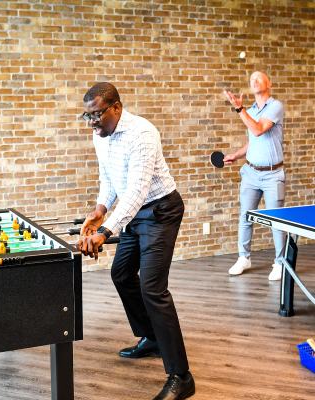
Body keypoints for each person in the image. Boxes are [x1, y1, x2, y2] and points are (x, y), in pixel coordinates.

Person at [77, 82, 194, 400]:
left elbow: (137, 189)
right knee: (122, 274)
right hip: (131, 214)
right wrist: (100, 210)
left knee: (153, 288)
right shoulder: (99, 133)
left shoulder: (143, 132)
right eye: (87, 117)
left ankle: (181, 377)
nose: (92, 123)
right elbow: (109, 178)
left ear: (116, 107)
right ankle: (152, 338)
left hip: (160, 210)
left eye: (97, 115)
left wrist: (105, 232)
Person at [223, 71, 286, 281]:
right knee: (245, 216)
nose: (254, 81)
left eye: (258, 78)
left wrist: (239, 109)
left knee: (277, 221)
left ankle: (280, 263)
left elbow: (258, 130)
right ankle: (244, 258)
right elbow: (253, 141)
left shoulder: (275, 107)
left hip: (272, 175)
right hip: (250, 173)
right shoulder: (249, 111)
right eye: (251, 80)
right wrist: (237, 155)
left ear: (269, 83)